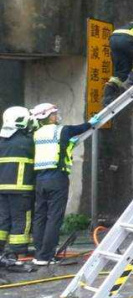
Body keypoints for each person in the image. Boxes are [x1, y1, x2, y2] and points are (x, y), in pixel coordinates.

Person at [29, 103, 97, 266]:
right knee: (54, 217)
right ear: (48, 116)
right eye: (54, 113)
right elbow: (80, 128)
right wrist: (91, 122)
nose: (57, 116)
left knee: (40, 216)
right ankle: (47, 256)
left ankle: (39, 254)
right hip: (56, 178)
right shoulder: (61, 130)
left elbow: (56, 148)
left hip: (40, 179)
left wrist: (69, 144)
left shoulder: (36, 134)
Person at [0, 107, 35, 268]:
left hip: (2, 189)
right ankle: (18, 251)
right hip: (21, 190)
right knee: (21, 220)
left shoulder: (2, 142)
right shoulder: (28, 142)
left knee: (3, 219)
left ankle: (1, 249)